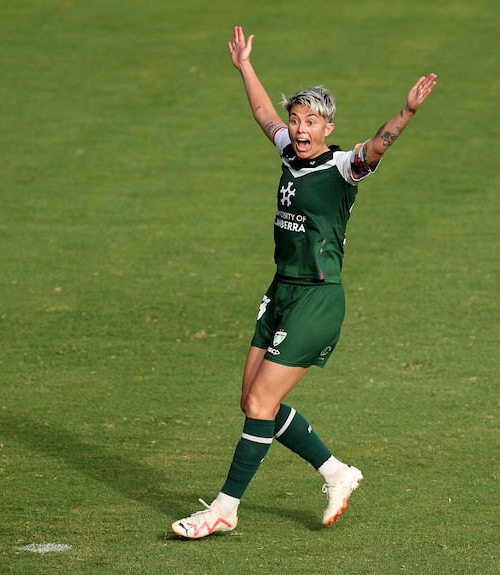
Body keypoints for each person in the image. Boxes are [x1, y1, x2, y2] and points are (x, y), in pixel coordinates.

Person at [171, 26, 438, 539]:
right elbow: (262, 115)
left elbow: (379, 147)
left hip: (317, 299)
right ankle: (337, 472)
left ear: (327, 126)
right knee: (251, 399)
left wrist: (405, 113)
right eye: (296, 120)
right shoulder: (289, 154)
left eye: (309, 121)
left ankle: (225, 508)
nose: (297, 127)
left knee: (259, 405)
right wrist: (245, 66)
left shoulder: (342, 167)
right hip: (281, 291)